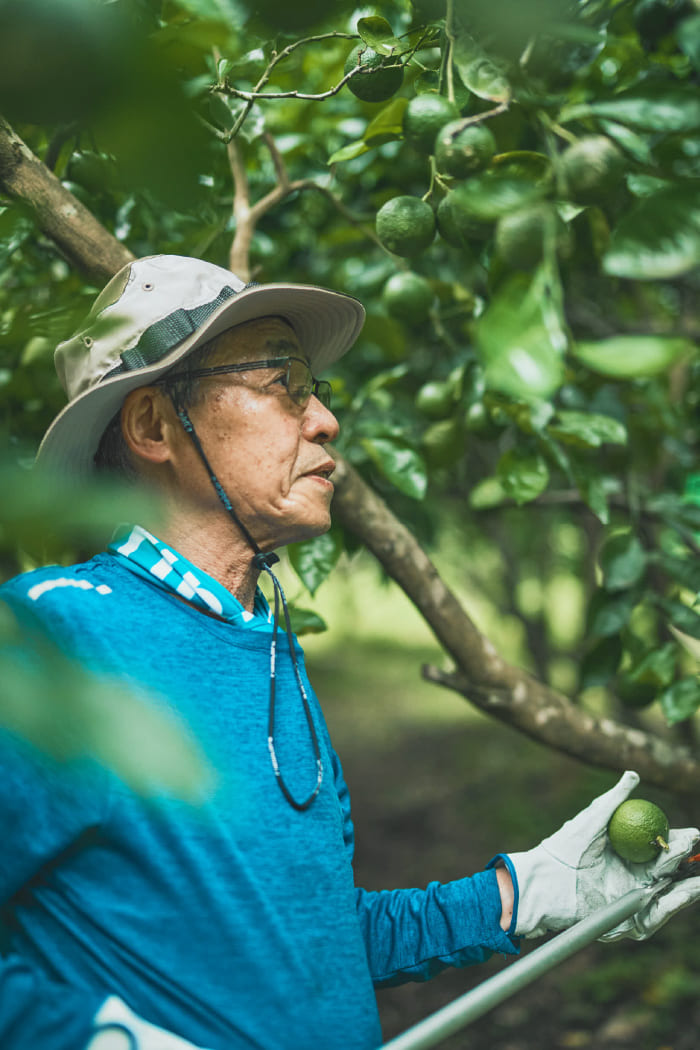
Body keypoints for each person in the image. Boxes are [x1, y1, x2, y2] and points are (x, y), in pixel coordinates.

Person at [0, 254, 698, 1050]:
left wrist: (525, 895)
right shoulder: (51, 640)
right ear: (156, 426)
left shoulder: (263, 648)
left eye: (316, 391)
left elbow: (314, 940)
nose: (325, 420)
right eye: (282, 383)